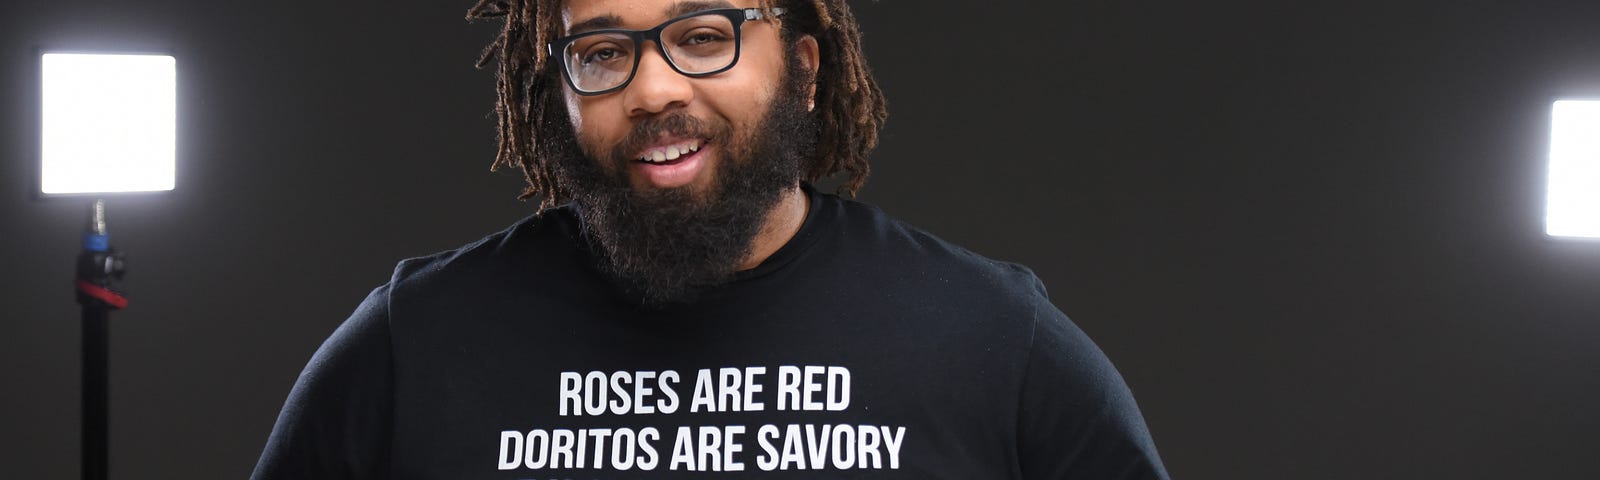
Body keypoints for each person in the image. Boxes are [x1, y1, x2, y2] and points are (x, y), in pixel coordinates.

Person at [251, 0, 1170, 478]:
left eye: (702, 36)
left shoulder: (991, 341)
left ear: (804, 71)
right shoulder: (415, 346)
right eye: (604, 52)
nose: (652, 90)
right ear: (560, 90)